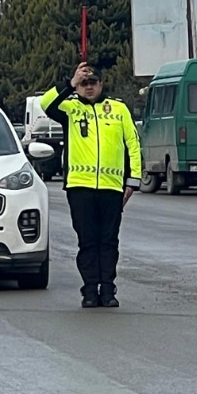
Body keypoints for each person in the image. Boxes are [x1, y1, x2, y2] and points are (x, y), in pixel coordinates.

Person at [40, 61, 142, 308]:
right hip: (80, 187)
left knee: (108, 241)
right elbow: (45, 103)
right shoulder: (70, 109)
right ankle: (89, 290)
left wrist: (133, 180)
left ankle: (107, 289)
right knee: (87, 241)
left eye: (92, 82)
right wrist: (70, 83)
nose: (88, 88)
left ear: (101, 84)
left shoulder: (118, 109)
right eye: (84, 83)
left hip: (111, 187)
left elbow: (133, 144)